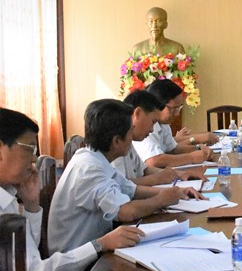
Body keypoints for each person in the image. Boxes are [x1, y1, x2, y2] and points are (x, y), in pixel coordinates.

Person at [0, 108, 144, 271]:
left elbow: (25, 254)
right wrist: (100, 244)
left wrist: (31, 205)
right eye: (30, 148)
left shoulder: (7, 194)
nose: (33, 159)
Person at [48, 100, 199, 255]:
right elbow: (126, 212)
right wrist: (161, 200)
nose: (132, 138)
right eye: (130, 132)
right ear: (117, 141)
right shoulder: (89, 168)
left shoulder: (96, 158)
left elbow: (131, 189)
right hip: (78, 258)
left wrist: (177, 192)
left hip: (96, 246)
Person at [112, 90, 207, 185]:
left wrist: (179, 174)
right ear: (138, 113)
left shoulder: (129, 140)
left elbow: (144, 170)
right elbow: (121, 185)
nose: (152, 129)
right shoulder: (116, 143)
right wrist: (157, 180)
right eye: (153, 122)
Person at [133, 79, 217, 168]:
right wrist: (191, 158)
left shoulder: (163, 124)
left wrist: (198, 148)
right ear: (158, 104)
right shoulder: (146, 125)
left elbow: (173, 149)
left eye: (179, 108)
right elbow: (154, 161)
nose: (177, 114)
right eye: (173, 109)